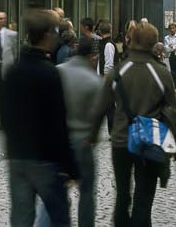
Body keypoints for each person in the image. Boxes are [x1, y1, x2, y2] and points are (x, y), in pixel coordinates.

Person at [92, 20, 176, 227]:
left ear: (131, 40)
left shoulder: (118, 71)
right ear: (154, 43)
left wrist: (91, 138)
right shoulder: (162, 72)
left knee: (122, 195)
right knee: (144, 199)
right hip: (150, 141)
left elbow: (101, 108)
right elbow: (172, 111)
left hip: (121, 140)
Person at [0, 7, 78, 227]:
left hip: (18, 158)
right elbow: (58, 123)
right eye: (53, 32)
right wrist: (70, 166)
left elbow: (5, 117)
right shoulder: (48, 73)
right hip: (45, 160)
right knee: (59, 217)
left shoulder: (13, 72)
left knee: (21, 218)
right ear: (46, 35)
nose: (56, 37)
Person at [38, 35, 105, 227]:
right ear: (93, 56)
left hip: (56, 141)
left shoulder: (56, 72)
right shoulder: (94, 81)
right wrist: (92, 139)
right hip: (82, 142)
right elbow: (97, 116)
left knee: (53, 190)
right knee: (86, 191)